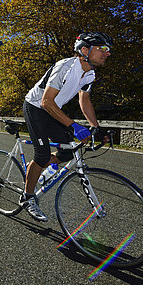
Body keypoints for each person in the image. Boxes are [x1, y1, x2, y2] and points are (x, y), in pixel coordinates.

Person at [19, 32, 113, 221]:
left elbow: (84, 100)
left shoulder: (90, 73)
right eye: (102, 48)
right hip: (36, 107)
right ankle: (27, 198)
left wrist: (95, 127)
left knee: (68, 152)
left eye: (108, 49)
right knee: (42, 154)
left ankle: (36, 169)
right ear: (85, 50)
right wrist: (73, 125)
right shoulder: (66, 67)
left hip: (53, 110)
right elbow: (46, 102)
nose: (107, 53)